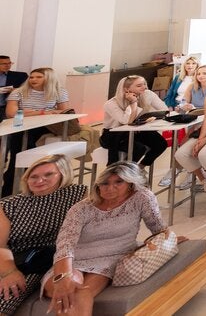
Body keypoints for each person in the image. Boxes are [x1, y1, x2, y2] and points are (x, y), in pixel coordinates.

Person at [43, 162, 185, 316]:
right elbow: (65, 244)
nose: (110, 188)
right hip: (72, 260)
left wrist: (168, 240)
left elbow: (156, 226)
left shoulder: (142, 197)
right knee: (70, 286)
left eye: (119, 182)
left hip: (110, 259)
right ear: (98, 185)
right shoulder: (81, 208)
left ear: (130, 183)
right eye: (105, 183)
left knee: (82, 293)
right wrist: (63, 276)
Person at [0, 155, 86, 315]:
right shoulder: (9, 205)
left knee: (7, 296)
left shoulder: (78, 194)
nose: (40, 181)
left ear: (63, 174)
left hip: (43, 262)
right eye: (34, 176)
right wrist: (9, 272)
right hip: (11, 260)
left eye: (48, 175)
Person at [2, 68, 72, 196]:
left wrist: (26, 111)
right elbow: (11, 113)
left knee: (33, 157)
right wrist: (43, 112)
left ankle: (37, 187)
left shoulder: (59, 92)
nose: (33, 79)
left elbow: (63, 112)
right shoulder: (19, 92)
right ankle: (8, 194)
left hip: (47, 128)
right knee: (17, 159)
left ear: (49, 78)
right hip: (21, 128)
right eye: (32, 77)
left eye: (39, 77)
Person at [100, 75, 168, 166]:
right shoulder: (111, 104)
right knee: (139, 149)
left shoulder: (148, 94)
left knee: (161, 144)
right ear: (126, 89)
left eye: (144, 84)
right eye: (139, 86)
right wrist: (133, 103)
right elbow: (126, 121)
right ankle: (122, 172)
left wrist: (150, 118)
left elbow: (164, 110)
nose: (144, 87)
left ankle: (139, 169)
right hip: (114, 134)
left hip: (136, 130)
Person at [0, 56, 28, 120]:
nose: (7, 65)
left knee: (14, 128)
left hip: (9, 108)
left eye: (9, 63)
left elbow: (30, 89)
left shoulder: (21, 76)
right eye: (4, 64)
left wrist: (16, 90)